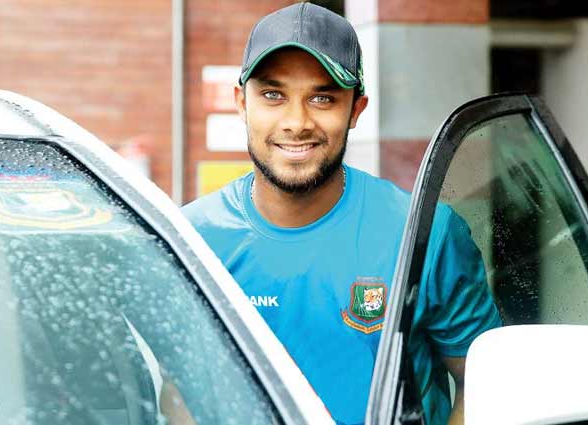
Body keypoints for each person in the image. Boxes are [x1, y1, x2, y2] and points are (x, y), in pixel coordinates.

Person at [182, 3, 501, 424]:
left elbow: (487, 383)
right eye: (273, 95)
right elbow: (179, 393)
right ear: (242, 102)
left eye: (322, 98)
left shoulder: (424, 233)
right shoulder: (192, 239)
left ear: (355, 110)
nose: (297, 122)